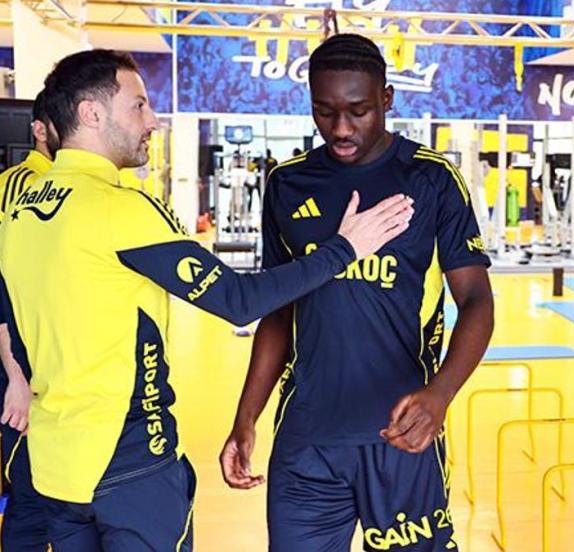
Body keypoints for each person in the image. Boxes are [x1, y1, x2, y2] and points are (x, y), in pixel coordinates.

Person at [0, 49, 413, 551]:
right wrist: (344, 249)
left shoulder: (17, 209)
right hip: (130, 462)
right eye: (139, 105)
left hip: (55, 465)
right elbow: (238, 300)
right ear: (91, 113)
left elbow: (10, 320)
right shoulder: (118, 208)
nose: (152, 121)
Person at [220, 34, 494, 551]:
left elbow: (477, 301)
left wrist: (441, 393)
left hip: (401, 436)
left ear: (386, 99)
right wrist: (246, 417)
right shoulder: (288, 184)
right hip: (308, 441)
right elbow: (277, 312)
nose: (341, 129)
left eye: (358, 111)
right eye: (324, 112)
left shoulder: (432, 179)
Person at [0, 89, 59, 551]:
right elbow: (5, 283)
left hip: (53, 361)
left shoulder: (71, 184)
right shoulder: (22, 186)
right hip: (21, 361)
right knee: (31, 492)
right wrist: (15, 373)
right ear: (39, 130)